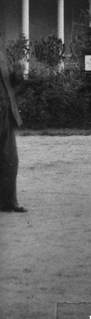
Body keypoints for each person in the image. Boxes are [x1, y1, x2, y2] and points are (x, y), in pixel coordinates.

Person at [0, 50, 24, 213]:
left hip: (6, 112)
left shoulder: (1, 54)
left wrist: (17, 73)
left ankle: (8, 201)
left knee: (10, 159)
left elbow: (11, 85)